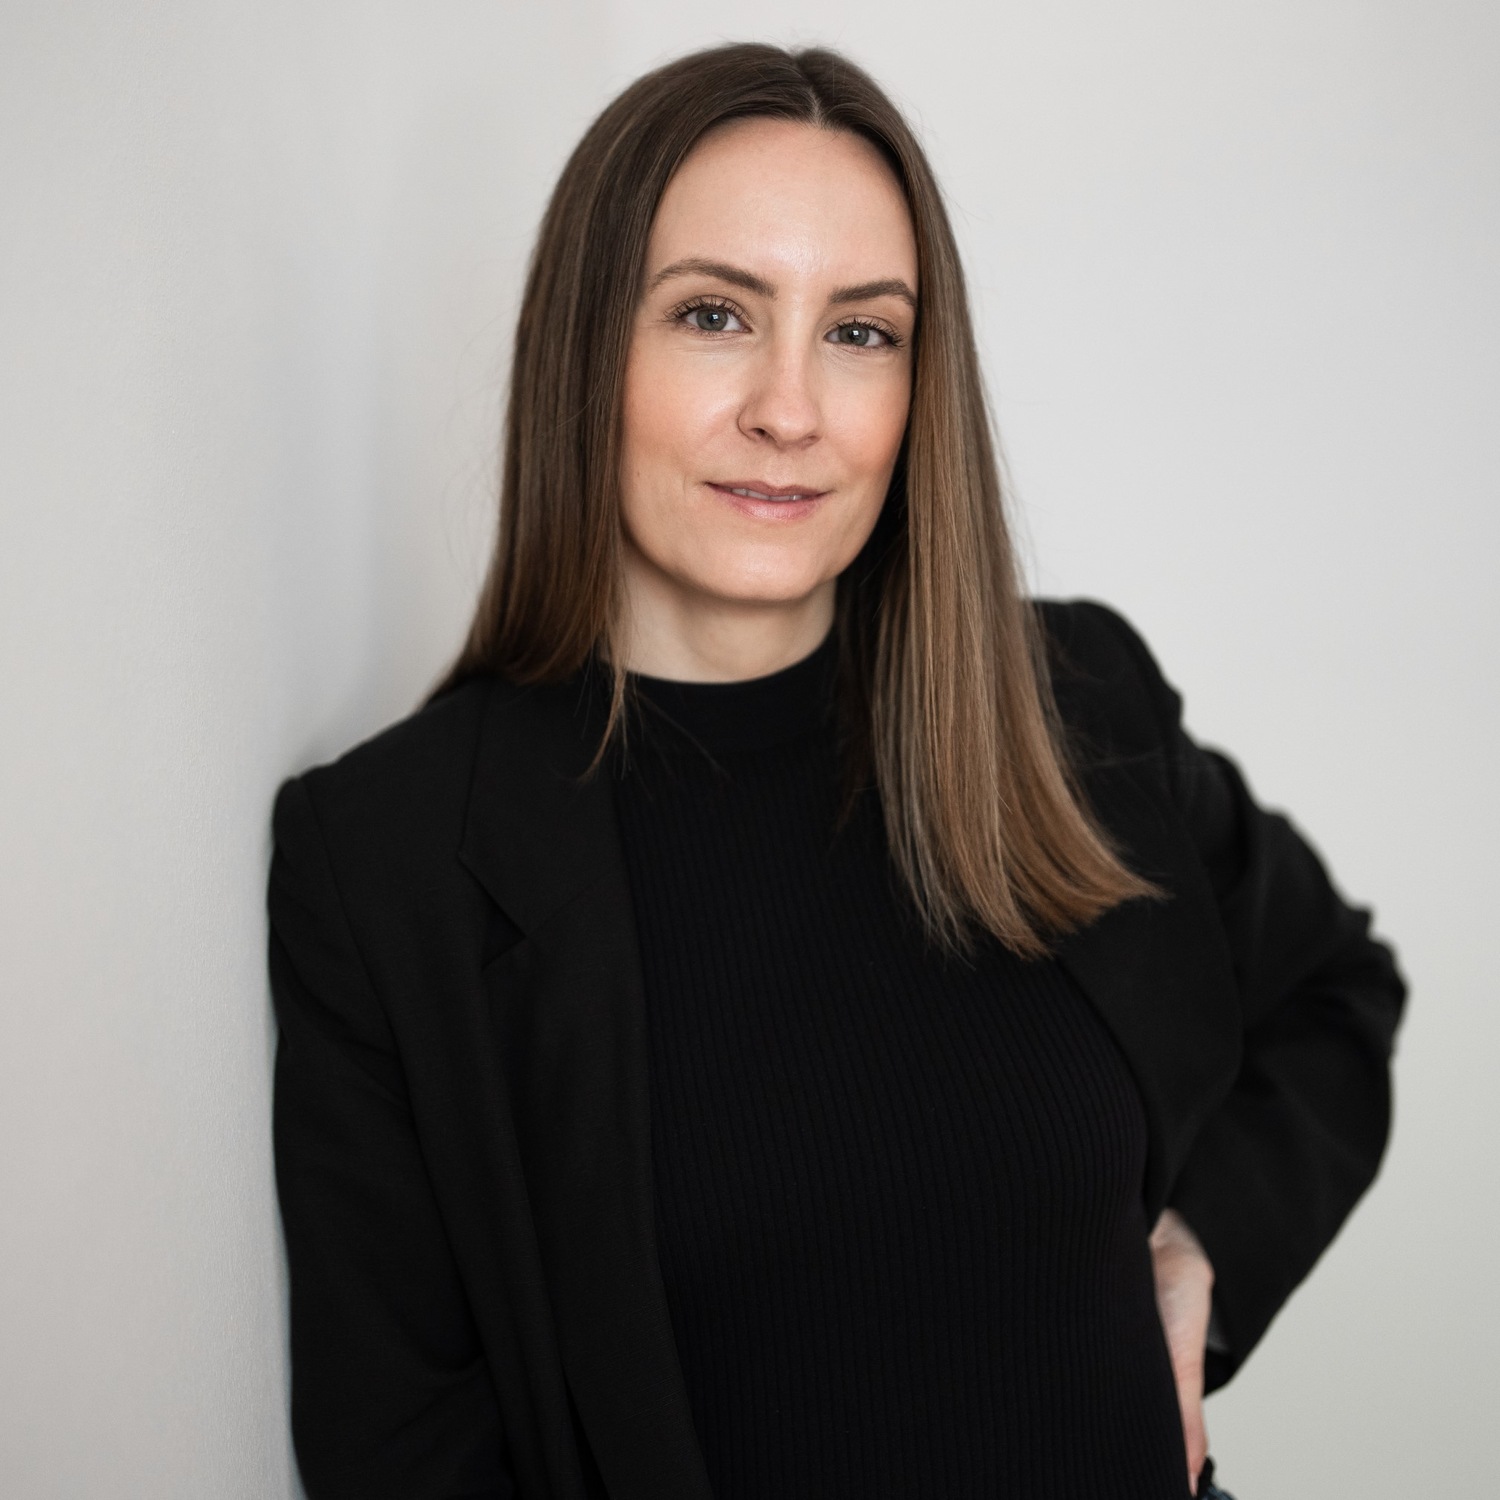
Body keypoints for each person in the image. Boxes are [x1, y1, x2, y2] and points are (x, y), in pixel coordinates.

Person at [266, 42, 1406, 1500]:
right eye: (715, 314)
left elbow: (1335, 991)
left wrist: (1200, 1267)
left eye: (862, 333)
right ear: (586, 349)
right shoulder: (393, 860)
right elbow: (410, 1457)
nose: (789, 409)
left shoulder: (1074, 700)